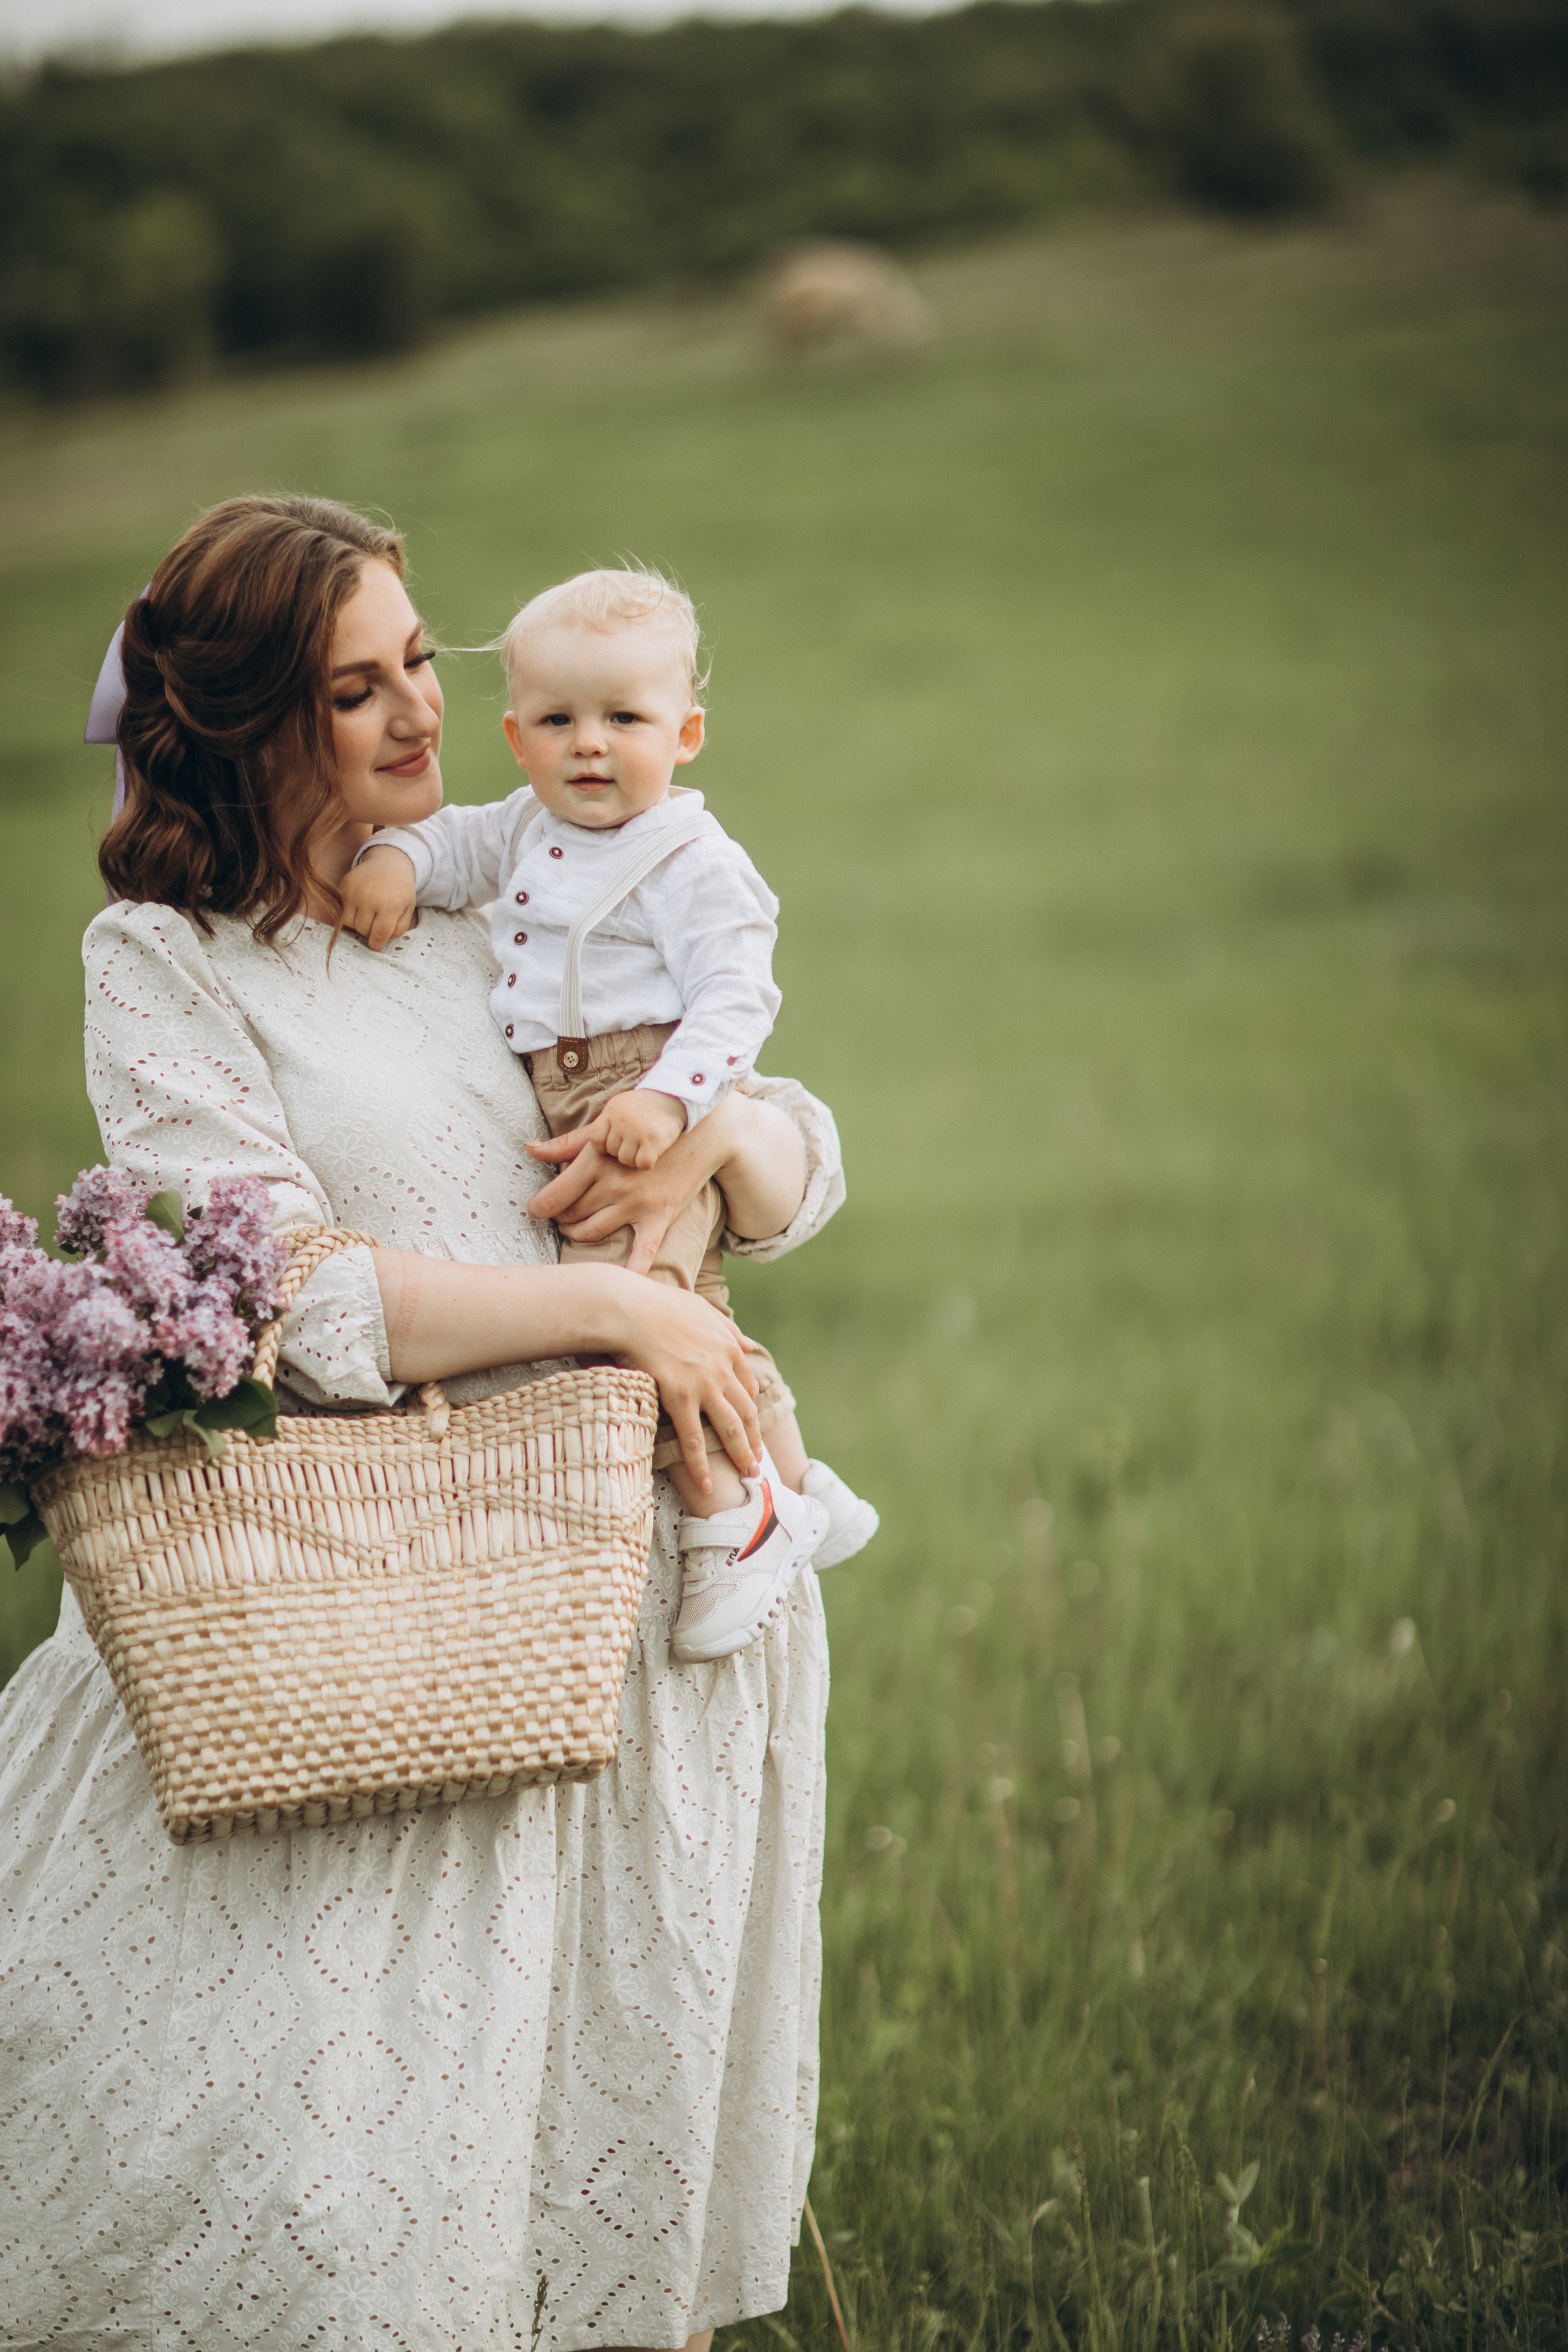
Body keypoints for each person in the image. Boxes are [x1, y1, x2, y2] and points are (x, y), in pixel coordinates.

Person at [0, 495, 845, 2350]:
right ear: (243, 725)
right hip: (379, 1602)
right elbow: (296, 1297)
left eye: (418, 664)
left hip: (626, 1593)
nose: (422, 715)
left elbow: (789, 1140)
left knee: (593, 2197)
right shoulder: (165, 961)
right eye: (352, 690)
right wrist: (615, 1306)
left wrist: (713, 1154)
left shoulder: (496, 879)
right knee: (335, 2209)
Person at [338, 564, 876, 1666]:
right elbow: (450, 843)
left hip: (652, 1096)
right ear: (516, 736)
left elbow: (738, 999)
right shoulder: (525, 828)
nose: (589, 744)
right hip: (579, 1099)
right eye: (558, 720)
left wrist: (669, 1101)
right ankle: (793, 1479)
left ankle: (734, 1517)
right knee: (687, 1307)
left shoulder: (692, 861)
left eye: (623, 719)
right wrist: (395, 856)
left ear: (686, 734)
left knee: (642, 1316)